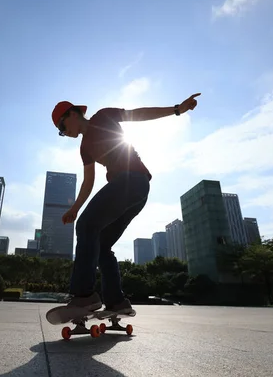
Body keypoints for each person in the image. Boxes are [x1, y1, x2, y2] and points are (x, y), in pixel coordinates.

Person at [50, 93, 201, 316]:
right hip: (133, 193)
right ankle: (117, 301)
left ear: (72, 113)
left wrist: (177, 109)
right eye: (61, 133)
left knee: (85, 226)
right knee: (101, 245)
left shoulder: (103, 117)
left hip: (132, 181)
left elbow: (137, 115)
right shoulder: (84, 149)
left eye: (62, 127)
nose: (64, 133)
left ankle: (83, 296)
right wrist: (75, 207)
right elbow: (88, 181)